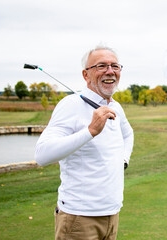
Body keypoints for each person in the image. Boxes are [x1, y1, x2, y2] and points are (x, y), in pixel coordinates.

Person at [35, 44, 134, 239]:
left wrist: (123, 160)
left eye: (115, 66)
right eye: (101, 66)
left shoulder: (115, 106)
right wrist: (90, 131)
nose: (110, 71)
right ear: (85, 75)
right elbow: (42, 155)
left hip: (112, 214)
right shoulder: (70, 105)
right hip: (79, 219)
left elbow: (128, 134)